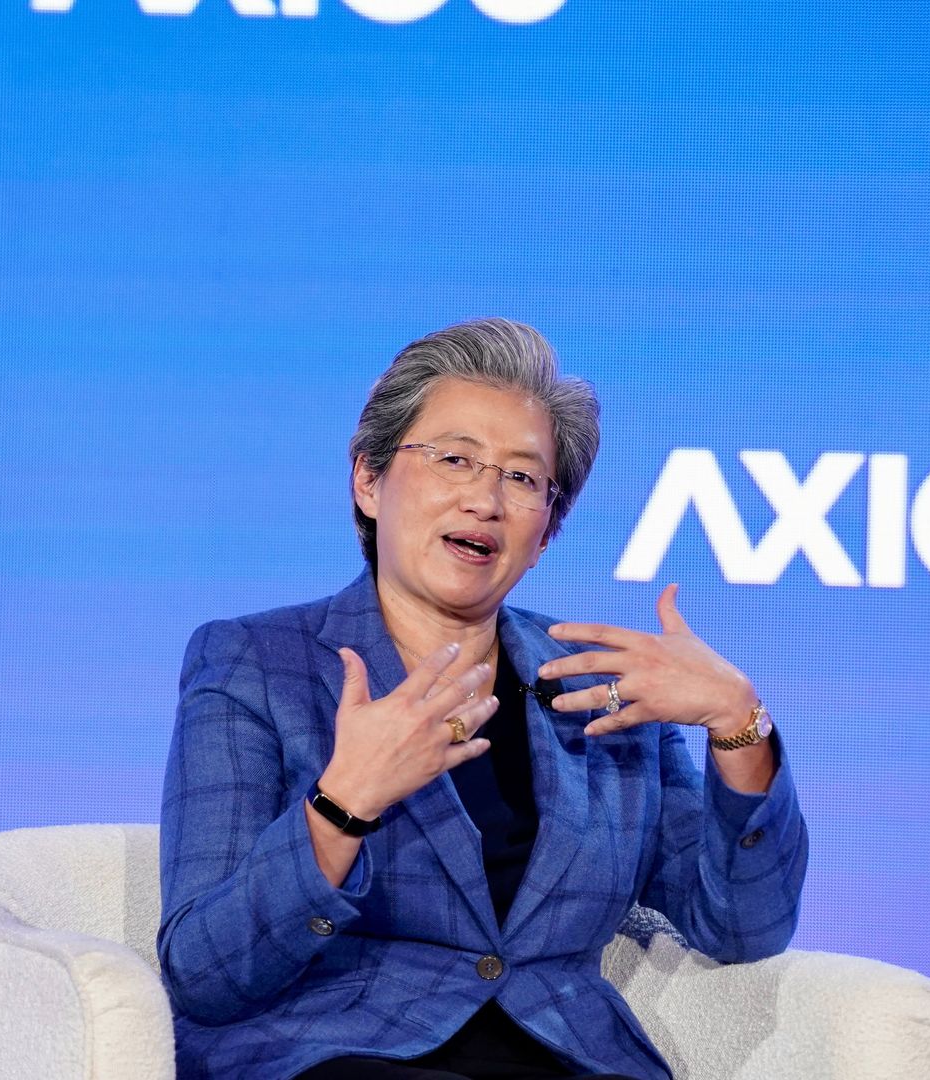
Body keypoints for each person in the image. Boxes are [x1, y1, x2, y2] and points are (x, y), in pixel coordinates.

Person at [157, 318, 807, 1080]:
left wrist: (738, 723)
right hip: (340, 1055)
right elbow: (203, 973)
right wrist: (342, 805)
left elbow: (741, 927)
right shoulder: (257, 664)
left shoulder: (603, 690)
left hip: (564, 1059)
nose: (486, 500)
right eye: (455, 459)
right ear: (368, 480)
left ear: (547, 531)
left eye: (523, 479)